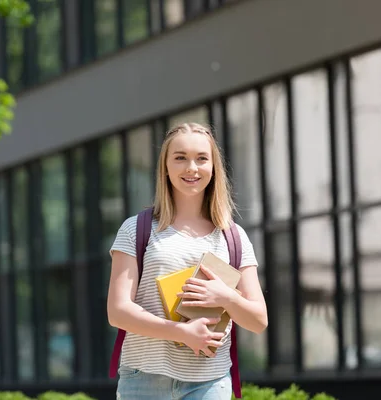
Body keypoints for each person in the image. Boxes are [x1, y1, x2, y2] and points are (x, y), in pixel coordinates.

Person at [107, 122, 268, 400]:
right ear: (165, 167)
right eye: (180, 158)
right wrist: (182, 332)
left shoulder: (234, 237)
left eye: (201, 158)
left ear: (213, 167)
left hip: (209, 382)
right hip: (144, 379)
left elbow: (258, 320)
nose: (191, 168)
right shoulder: (136, 229)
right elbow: (118, 311)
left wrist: (226, 297)